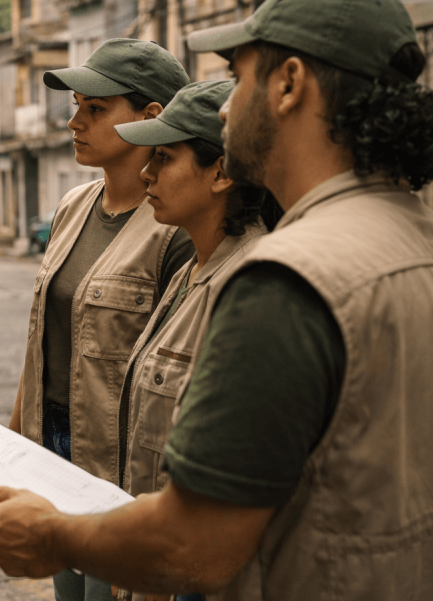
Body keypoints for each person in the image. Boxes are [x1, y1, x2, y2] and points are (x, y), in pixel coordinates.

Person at [0, 0, 433, 600]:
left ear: (290, 85)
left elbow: (194, 544)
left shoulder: (286, 278)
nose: (222, 106)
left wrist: (53, 536)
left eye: (238, 78)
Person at [9, 38, 194, 601]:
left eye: (95, 110)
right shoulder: (72, 206)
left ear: (151, 117)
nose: (75, 123)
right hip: (56, 443)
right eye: (75, 108)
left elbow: (178, 373)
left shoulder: (176, 229)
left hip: (122, 456)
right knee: (69, 592)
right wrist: (17, 435)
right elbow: (42, 334)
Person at [111, 79, 279, 601]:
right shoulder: (192, 269)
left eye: (163, 157)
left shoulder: (250, 281)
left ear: (222, 173)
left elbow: (232, 471)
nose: (146, 172)